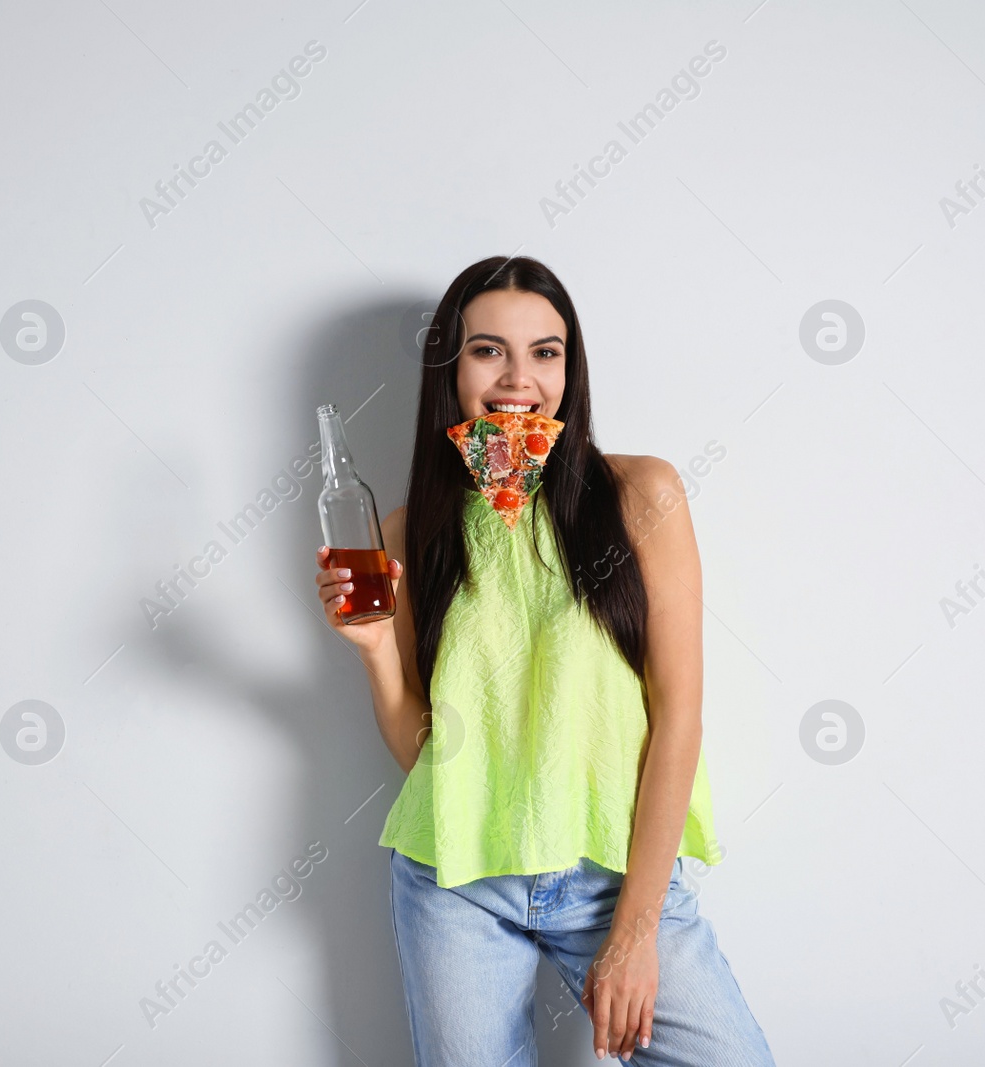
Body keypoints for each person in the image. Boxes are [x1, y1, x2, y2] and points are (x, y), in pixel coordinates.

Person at [314, 256, 774, 1065]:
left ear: (572, 366)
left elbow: (679, 718)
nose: (518, 377)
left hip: (615, 876)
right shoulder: (407, 526)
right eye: (488, 350)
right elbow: (430, 756)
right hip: (457, 883)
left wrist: (635, 931)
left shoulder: (643, 493)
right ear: (450, 368)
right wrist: (379, 650)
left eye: (546, 352)